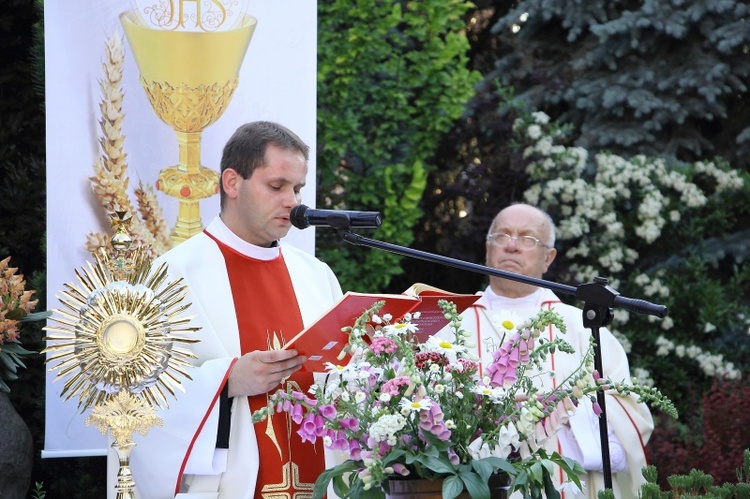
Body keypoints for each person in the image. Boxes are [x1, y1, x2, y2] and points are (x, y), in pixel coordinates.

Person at [107, 121, 344, 498]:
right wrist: (227, 381)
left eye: (297, 188)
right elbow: (133, 398)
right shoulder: (169, 276)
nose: (293, 202)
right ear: (232, 183)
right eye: (276, 186)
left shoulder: (316, 276)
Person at [444, 203, 654, 498]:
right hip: (472, 484)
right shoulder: (448, 325)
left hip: (565, 484)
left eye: (527, 238)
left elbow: (629, 412)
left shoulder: (584, 329)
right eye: (502, 236)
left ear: (549, 257)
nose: (512, 246)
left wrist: (557, 407)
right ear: (488, 247)